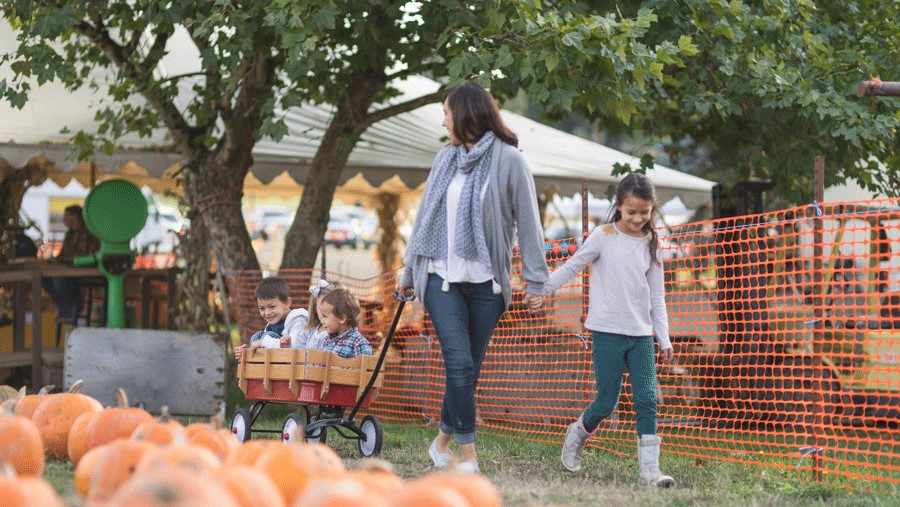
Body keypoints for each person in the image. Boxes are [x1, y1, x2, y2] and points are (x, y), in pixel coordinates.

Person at [398, 81, 548, 474]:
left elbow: (529, 223)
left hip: (487, 284)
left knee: (468, 369)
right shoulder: (443, 159)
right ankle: (469, 457)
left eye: (446, 110)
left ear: (464, 114)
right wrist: (408, 268)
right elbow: (425, 217)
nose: (443, 118)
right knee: (460, 364)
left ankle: (442, 440)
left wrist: (536, 280)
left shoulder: (508, 161)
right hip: (438, 277)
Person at [543, 173, 675, 487]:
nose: (638, 218)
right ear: (618, 206)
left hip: (641, 335)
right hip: (606, 332)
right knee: (606, 402)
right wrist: (543, 289)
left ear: (652, 209)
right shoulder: (603, 236)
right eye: (632, 212)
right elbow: (573, 266)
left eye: (645, 212)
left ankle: (649, 472)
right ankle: (577, 434)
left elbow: (657, 295)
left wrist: (663, 337)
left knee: (646, 398)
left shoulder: (652, 244)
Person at [42, 205, 100, 324]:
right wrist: (55, 260)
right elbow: (64, 254)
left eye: (66, 216)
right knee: (44, 279)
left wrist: (63, 260)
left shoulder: (86, 233)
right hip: (69, 269)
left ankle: (72, 306)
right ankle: (68, 307)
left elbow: (84, 255)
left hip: (83, 269)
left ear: (74, 217)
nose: (63, 219)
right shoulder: (69, 234)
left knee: (59, 279)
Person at [233, 276, 309, 359]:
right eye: (262, 308)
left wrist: (264, 342)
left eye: (272, 307)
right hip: (277, 366)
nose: (267, 313)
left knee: (267, 336)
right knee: (257, 336)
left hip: (296, 367)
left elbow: (295, 347)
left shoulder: (299, 319)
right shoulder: (271, 325)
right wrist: (246, 352)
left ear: (287, 303)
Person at [316, 287, 372, 359]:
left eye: (325, 316)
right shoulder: (327, 339)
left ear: (342, 318)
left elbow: (365, 367)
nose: (322, 321)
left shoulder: (358, 343)